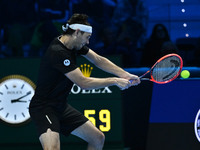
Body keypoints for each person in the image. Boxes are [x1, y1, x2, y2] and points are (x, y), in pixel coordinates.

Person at [29, 13, 140, 150]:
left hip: (60, 106)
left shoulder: (73, 43)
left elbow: (98, 60)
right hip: (43, 108)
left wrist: (125, 74)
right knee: (52, 148)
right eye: (87, 38)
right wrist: (115, 81)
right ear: (77, 32)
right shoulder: (58, 52)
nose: (87, 42)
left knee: (97, 138)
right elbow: (83, 83)